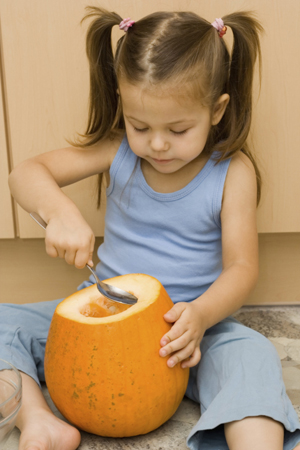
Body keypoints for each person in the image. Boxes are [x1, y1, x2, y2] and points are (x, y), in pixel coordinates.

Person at [3, 6, 300, 450]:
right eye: (140, 125)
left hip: (192, 331)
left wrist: (200, 315)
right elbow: (25, 173)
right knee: (3, 321)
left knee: (252, 356)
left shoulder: (231, 172)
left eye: (179, 129)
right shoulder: (121, 150)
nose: (157, 144)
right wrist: (60, 213)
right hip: (101, 320)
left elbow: (242, 268)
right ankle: (39, 421)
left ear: (216, 111)